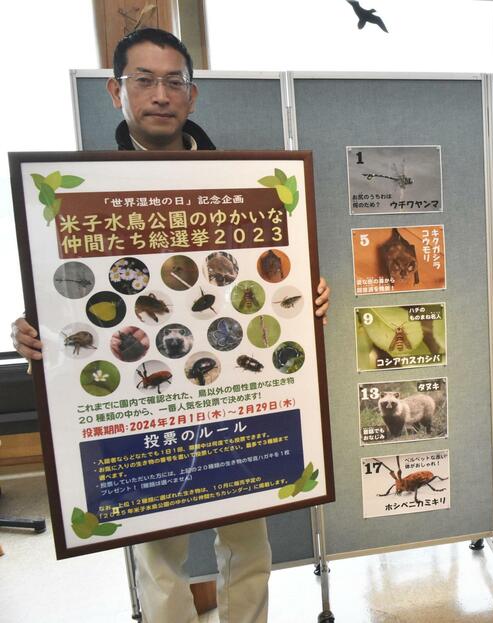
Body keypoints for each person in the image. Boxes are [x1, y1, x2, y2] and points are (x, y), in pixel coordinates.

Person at [9, 28, 330, 623]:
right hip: (146, 412)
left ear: (193, 96)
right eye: (144, 80)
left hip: (235, 398)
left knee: (248, 542)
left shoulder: (238, 183)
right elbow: (68, 297)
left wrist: (306, 296)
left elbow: (270, 283)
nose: (160, 94)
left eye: (174, 81)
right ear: (115, 91)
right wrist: (34, 331)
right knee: (156, 555)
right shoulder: (91, 187)